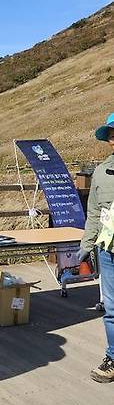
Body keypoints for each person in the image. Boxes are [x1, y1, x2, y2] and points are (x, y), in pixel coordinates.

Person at [78, 112, 114, 383]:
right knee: (112, 310)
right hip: (108, 250)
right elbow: (93, 214)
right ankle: (113, 357)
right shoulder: (101, 172)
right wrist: (86, 244)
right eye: (111, 135)